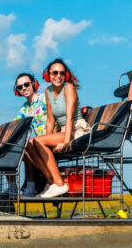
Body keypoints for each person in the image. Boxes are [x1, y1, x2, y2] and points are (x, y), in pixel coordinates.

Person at [24, 58, 87, 199]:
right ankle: (51, 181)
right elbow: (51, 120)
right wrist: (46, 140)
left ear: (66, 75)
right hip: (63, 130)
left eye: (62, 73)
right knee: (30, 143)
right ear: (48, 75)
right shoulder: (48, 91)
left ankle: (60, 183)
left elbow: (70, 117)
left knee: (39, 141)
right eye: (55, 73)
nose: (58, 76)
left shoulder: (68, 88)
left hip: (76, 129)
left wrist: (66, 142)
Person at [12, 72, 47, 197]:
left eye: (26, 84)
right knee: (11, 150)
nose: (23, 88)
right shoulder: (25, 108)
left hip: (49, 138)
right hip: (37, 142)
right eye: (20, 87)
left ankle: (31, 188)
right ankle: (12, 189)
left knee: (28, 147)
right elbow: (14, 124)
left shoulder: (44, 99)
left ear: (34, 84)